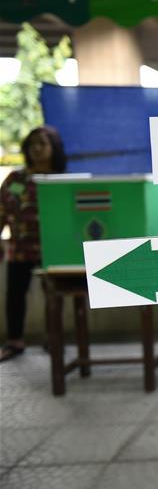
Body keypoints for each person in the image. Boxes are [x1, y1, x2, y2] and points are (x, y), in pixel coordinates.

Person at [0, 126, 67, 362]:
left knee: (53, 295)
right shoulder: (15, 179)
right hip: (19, 249)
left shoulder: (62, 181)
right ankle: (14, 341)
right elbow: (2, 211)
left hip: (53, 249)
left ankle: (53, 338)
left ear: (54, 148)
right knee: (15, 295)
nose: (36, 149)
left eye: (43, 143)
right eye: (32, 144)